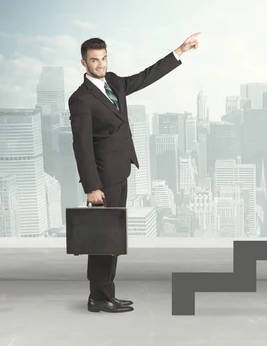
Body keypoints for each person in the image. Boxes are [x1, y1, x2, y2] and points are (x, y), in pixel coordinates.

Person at [68, 32, 200, 313]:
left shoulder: (113, 82)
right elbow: (81, 146)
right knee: (102, 238)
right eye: (94, 60)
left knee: (112, 237)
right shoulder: (80, 99)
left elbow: (145, 77)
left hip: (120, 171)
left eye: (104, 58)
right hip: (102, 178)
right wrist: (92, 186)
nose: (100, 65)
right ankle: (98, 297)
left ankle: (106, 293)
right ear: (83, 63)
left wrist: (179, 51)